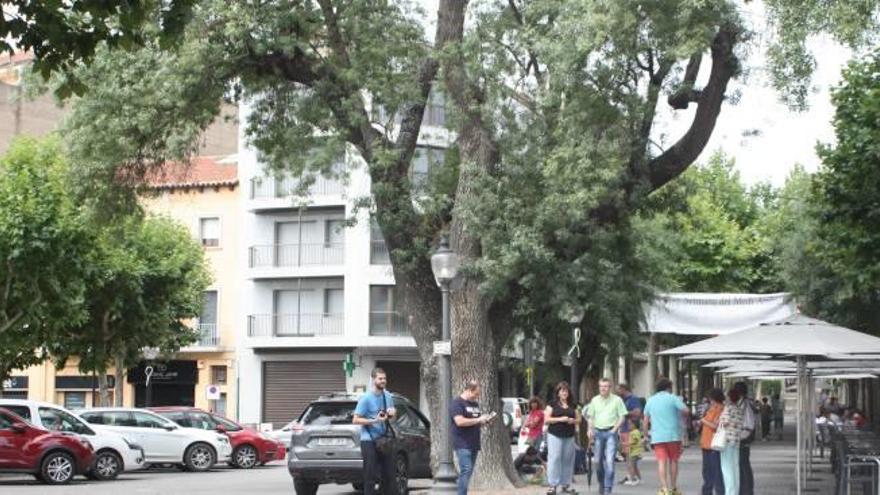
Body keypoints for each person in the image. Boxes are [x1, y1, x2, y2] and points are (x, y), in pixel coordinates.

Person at [352, 367, 397, 495]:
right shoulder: (365, 398)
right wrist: (374, 421)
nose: (383, 381)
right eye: (380, 378)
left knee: (389, 476)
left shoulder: (387, 396)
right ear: (373, 380)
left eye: (385, 378)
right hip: (369, 440)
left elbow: (392, 418)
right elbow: (355, 420)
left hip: (384, 439)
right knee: (370, 476)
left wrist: (393, 413)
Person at [643, 377, 689, 495]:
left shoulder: (651, 400)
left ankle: (664, 489)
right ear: (669, 387)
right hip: (673, 435)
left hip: (657, 436)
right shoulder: (673, 398)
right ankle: (673, 488)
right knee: (674, 460)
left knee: (661, 461)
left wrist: (645, 435)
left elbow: (646, 419)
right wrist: (681, 418)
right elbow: (686, 410)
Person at [450, 380, 494, 495]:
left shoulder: (475, 404)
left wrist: (484, 421)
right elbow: (459, 421)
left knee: (468, 472)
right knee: (466, 469)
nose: (477, 397)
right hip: (462, 443)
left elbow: (475, 421)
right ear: (469, 390)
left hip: (474, 442)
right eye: (476, 394)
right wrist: (478, 419)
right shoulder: (457, 403)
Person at [585, 378, 628, 495]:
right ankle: (602, 483)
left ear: (610, 387)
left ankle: (607, 488)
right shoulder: (594, 400)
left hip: (610, 432)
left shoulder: (617, 400)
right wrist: (589, 429)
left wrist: (614, 429)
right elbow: (591, 417)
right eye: (601, 386)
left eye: (606, 386)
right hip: (598, 432)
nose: (603, 388)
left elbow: (622, 417)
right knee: (597, 461)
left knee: (609, 461)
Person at [544, 381, 579, 495]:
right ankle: (552, 485)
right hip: (555, 435)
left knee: (567, 460)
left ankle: (565, 485)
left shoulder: (573, 405)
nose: (564, 392)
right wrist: (560, 419)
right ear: (558, 392)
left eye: (566, 390)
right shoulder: (552, 404)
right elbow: (547, 419)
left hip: (569, 436)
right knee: (555, 459)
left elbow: (579, 419)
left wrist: (573, 421)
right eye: (562, 390)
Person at [700, 388, 726, 495]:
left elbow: (715, 426)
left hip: (714, 445)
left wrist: (703, 420)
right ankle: (707, 491)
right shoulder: (711, 409)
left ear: (714, 398)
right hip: (705, 444)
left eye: (710, 398)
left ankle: (720, 491)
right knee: (706, 471)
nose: (709, 400)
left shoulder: (721, 409)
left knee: (716, 471)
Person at [719, 388, 745, 495]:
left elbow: (723, 423)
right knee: (735, 467)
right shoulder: (739, 409)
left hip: (727, 441)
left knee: (727, 468)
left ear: (729, 397)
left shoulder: (728, 409)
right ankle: (735, 491)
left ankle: (730, 492)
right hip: (736, 440)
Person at [616, 382, 643, 486]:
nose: (617, 392)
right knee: (626, 454)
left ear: (623, 389)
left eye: (618, 389)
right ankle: (632, 476)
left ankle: (631, 477)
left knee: (629, 455)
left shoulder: (633, 399)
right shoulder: (623, 400)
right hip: (624, 429)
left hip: (630, 431)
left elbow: (637, 412)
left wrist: (625, 413)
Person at [733, 382, 755, 495]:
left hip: (742, 438)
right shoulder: (743, 404)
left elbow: (749, 424)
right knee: (742, 465)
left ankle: (747, 490)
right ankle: (744, 489)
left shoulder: (745, 405)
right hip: (742, 438)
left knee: (743, 465)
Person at [623, 418, 643, 486]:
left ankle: (632, 479)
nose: (628, 426)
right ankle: (639, 479)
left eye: (630, 424)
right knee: (635, 466)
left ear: (634, 425)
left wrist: (626, 444)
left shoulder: (635, 432)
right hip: (634, 452)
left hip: (635, 452)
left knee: (631, 466)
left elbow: (635, 441)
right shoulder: (634, 432)